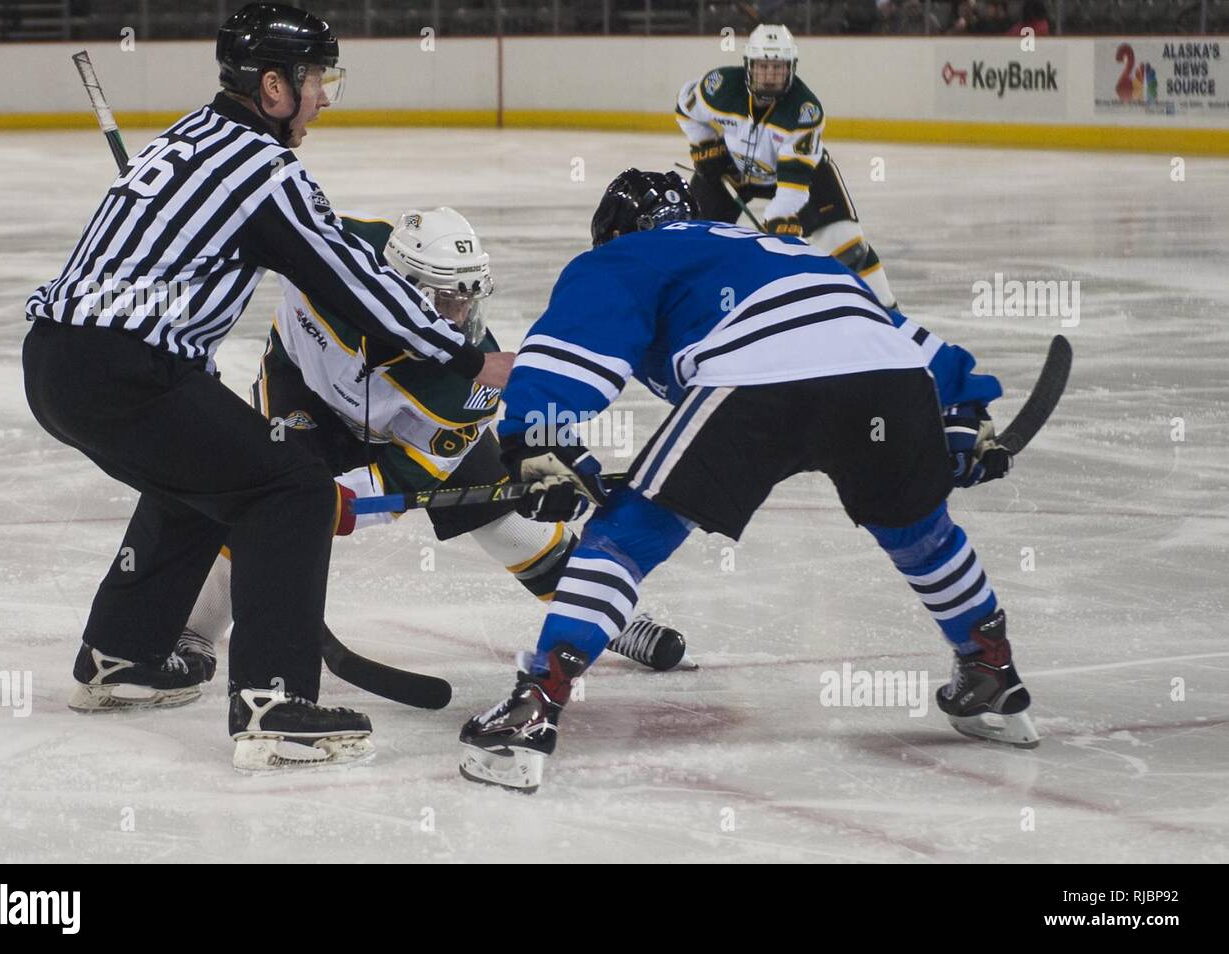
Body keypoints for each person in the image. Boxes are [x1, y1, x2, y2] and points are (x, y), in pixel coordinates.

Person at [21, 3, 511, 772]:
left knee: (198, 481)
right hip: (123, 369)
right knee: (293, 489)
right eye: (317, 82)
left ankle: (121, 656)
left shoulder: (189, 136)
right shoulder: (264, 171)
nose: (323, 98)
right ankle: (275, 705)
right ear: (273, 86)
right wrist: (468, 355)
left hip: (58, 364)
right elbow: (354, 280)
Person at [458, 170, 1036, 794]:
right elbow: (901, 336)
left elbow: (573, 349)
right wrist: (962, 416)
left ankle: (534, 707)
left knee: (628, 535)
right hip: (888, 379)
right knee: (920, 532)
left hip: (757, 374)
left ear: (615, 232)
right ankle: (989, 674)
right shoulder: (794, 251)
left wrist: (536, 437)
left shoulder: (633, 251)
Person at [179, 208, 691, 675]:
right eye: (445, 301)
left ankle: (605, 616)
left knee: (504, 523)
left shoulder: (467, 384)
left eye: (467, 301)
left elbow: (409, 475)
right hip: (303, 392)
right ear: (401, 288)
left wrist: (343, 503)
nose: (459, 318)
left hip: (405, 434)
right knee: (269, 503)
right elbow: (263, 227)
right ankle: (194, 631)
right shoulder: (338, 255)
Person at [676, 23, 898, 309]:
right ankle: (687, 311)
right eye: (762, 67)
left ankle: (890, 314)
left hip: (799, 177)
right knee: (689, 241)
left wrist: (777, 217)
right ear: (747, 66)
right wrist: (704, 144)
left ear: (791, 69)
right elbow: (686, 109)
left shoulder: (805, 111)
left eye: (777, 68)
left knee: (849, 248)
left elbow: (793, 184)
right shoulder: (719, 86)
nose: (769, 76)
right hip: (734, 172)